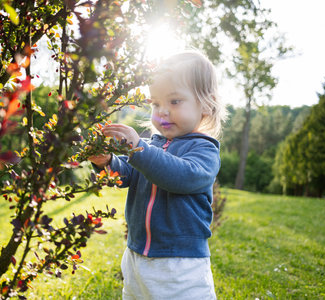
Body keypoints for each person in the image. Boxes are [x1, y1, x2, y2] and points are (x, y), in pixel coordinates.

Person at [89, 50, 225, 300]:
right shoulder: (150, 145)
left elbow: (182, 176)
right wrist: (107, 161)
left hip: (179, 264)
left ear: (205, 104)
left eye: (174, 102)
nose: (162, 111)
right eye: (155, 103)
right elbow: (127, 175)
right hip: (136, 256)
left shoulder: (203, 149)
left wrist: (138, 149)